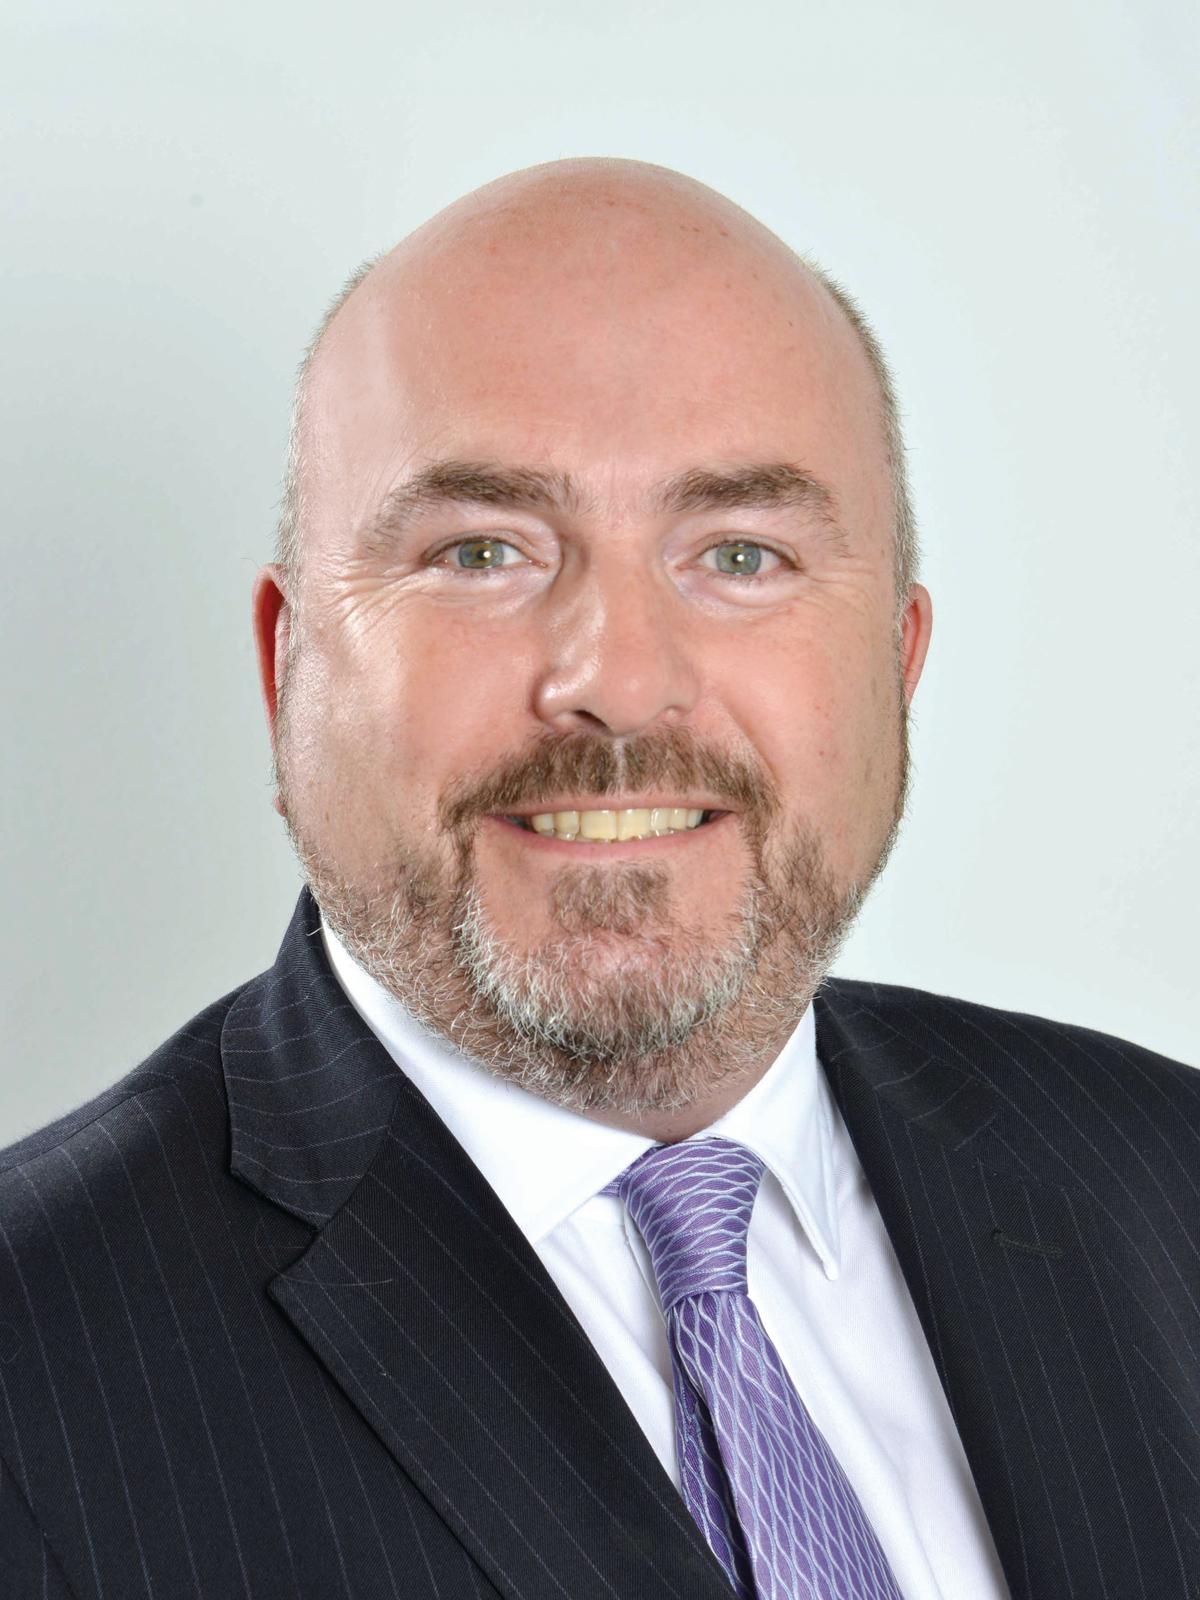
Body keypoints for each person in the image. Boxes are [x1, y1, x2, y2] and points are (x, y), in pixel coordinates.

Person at [0, 158, 1195, 1600]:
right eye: (481, 552)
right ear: (286, 669)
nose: (620, 685)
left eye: (741, 553)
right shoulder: (33, 1367)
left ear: (898, 662)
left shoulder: (1165, 1181)